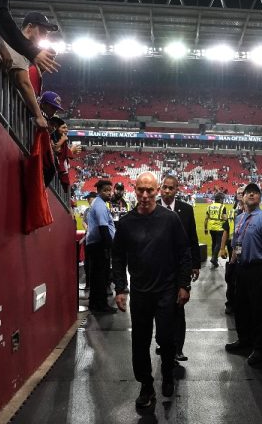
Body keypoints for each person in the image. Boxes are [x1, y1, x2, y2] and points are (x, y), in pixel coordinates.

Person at [112, 172, 192, 407]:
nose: (145, 195)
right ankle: (146, 385)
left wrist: (184, 285)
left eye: (149, 190)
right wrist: (120, 288)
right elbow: (117, 258)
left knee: (166, 340)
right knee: (139, 342)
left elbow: (184, 253)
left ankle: (167, 375)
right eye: (140, 190)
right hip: (140, 293)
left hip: (167, 292)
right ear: (134, 190)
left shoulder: (170, 220)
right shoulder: (126, 223)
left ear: (157, 191)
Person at [225, 183, 262, 368]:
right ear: (242, 197)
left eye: (255, 193)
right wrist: (231, 266)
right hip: (241, 268)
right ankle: (244, 341)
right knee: (241, 307)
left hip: (257, 269)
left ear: (259, 197)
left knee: (258, 310)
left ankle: (259, 349)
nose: (251, 195)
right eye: (248, 192)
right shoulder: (239, 218)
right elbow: (235, 244)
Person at [157, 175, 200, 362]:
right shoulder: (152, 207)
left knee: (178, 309)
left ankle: (178, 348)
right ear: (160, 188)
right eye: (164, 187)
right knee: (159, 309)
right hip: (157, 270)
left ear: (177, 190)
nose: (167, 191)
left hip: (178, 269)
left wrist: (196, 264)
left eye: (171, 188)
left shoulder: (186, 210)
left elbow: (192, 238)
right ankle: (162, 343)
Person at [0, 12, 60, 129]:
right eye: (42, 32)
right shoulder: (16, 45)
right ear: (30, 27)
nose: (44, 37)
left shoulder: (21, 49)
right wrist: (39, 116)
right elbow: (24, 83)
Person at [85, 180, 116, 313]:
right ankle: (101, 306)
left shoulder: (99, 204)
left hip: (96, 245)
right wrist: (109, 247)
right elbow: (103, 228)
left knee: (98, 277)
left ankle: (95, 304)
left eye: (110, 190)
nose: (109, 193)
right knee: (101, 277)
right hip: (99, 245)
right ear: (98, 191)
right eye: (105, 190)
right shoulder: (100, 206)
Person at [204, 193, 228, 268]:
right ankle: (214, 258)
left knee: (214, 242)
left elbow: (206, 218)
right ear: (220, 199)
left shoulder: (209, 206)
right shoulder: (222, 206)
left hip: (211, 227)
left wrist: (205, 228)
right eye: (222, 199)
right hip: (219, 227)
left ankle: (214, 258)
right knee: (219, 243)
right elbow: (224, 218)